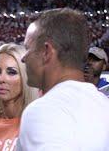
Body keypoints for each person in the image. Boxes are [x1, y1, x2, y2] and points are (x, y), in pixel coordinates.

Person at [18, 8, 109, 150]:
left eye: (27, 48)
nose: (23, 58)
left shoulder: (43, 111)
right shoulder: (104, 104)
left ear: (46, 52)